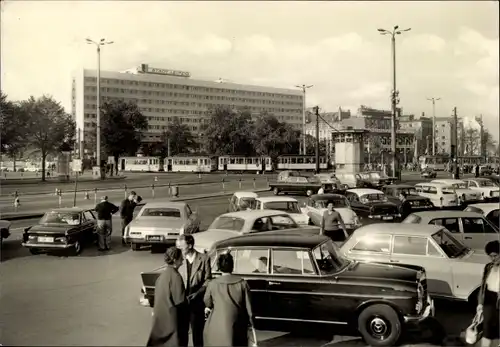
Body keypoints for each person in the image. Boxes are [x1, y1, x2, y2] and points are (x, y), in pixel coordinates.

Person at [203, 252, 254, 347]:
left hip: (216, 324)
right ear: (232, 266)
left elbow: (207, 302)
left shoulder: (213, 284)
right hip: (237, 323)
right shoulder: (243, 283)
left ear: (219, 267)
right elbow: (249, 308)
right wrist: (251, 323)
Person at [147, 247, 189, 347]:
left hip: (161, 321)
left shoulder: (162, 276)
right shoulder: (176, 277)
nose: (182, 260)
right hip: (173, 323)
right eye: (180, 258)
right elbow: (180, 301)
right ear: (175, 260)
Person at [176, 235, 211, 347]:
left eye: (182, 247)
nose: (180, 250)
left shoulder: (204, 258)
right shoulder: (180, 260)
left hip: (197, 301)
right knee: (182, 333)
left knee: (197, 334)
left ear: (190, 246)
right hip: (183, 301)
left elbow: (208, 279)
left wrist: (199, 292)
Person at [476, 240, 500, 347]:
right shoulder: (488, 267)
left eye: (495, 256)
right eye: (490, 256)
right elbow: (483, 286)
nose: (493, 259)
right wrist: (480, 305)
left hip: (498, 300)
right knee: (487, 327)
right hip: (489, 299)